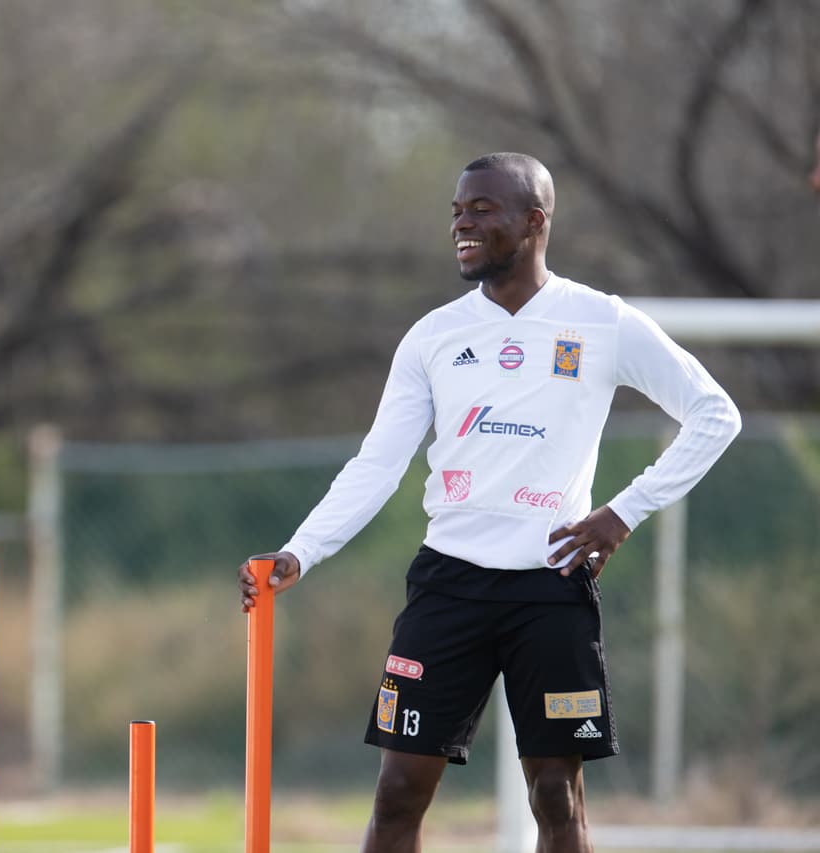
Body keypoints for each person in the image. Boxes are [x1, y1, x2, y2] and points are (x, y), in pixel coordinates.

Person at [237, 152, 741, 853]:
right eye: (455, 211)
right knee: (396, 795)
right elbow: (377, 463)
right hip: (449, 586)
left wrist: (623, 510)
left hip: (551, 585)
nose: (461, 224)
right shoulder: (434, 336)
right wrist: (301, 549)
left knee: (556, 799)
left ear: (534, 221)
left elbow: (715, 414)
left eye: (481, 210)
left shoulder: (601, 322)